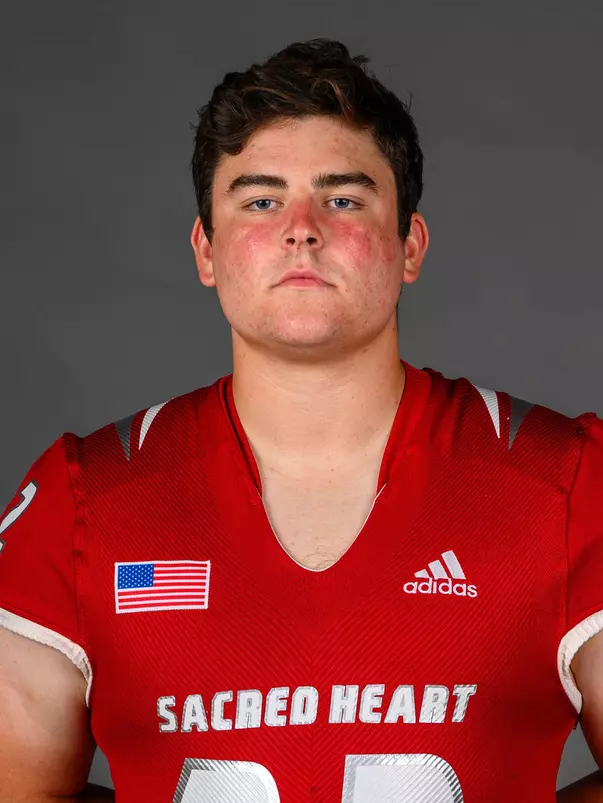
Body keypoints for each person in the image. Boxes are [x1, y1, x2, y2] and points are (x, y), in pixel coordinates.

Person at [1, 37, 602, 803]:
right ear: (205, 250)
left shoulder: (563, 482)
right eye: (259, 200)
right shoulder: (83, 499)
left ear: (408, 244)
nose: (301, 228)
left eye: (343, 198)